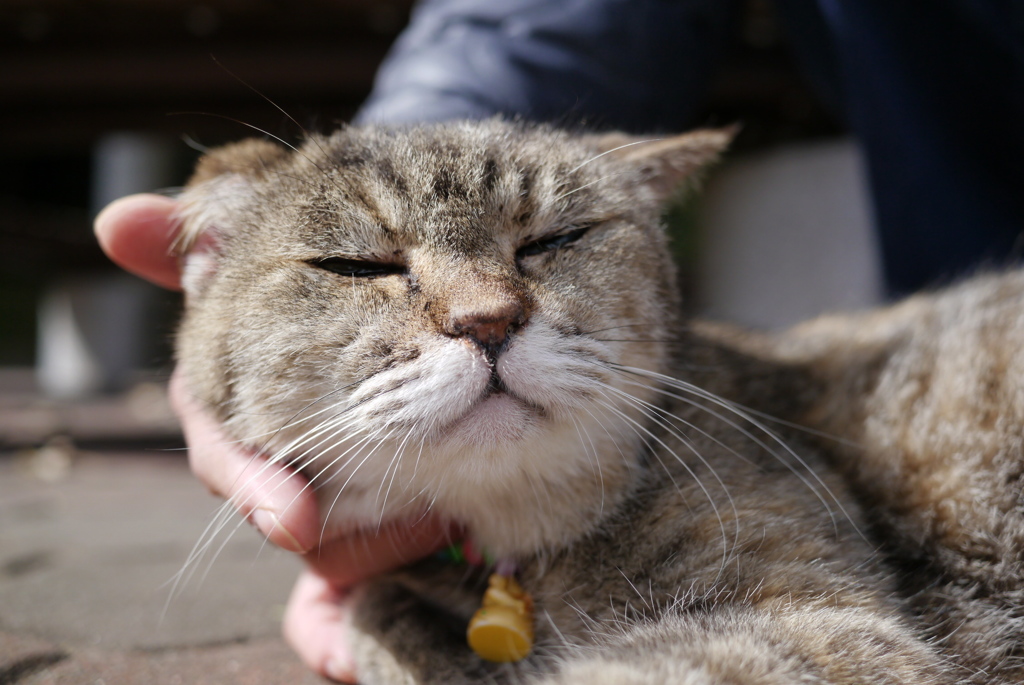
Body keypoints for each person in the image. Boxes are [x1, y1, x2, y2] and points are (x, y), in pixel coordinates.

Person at [95, 1, 1023, 681]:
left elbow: (851, 658)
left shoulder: (703, 471)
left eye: (554, 242)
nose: (486, 310)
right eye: (358, 263)